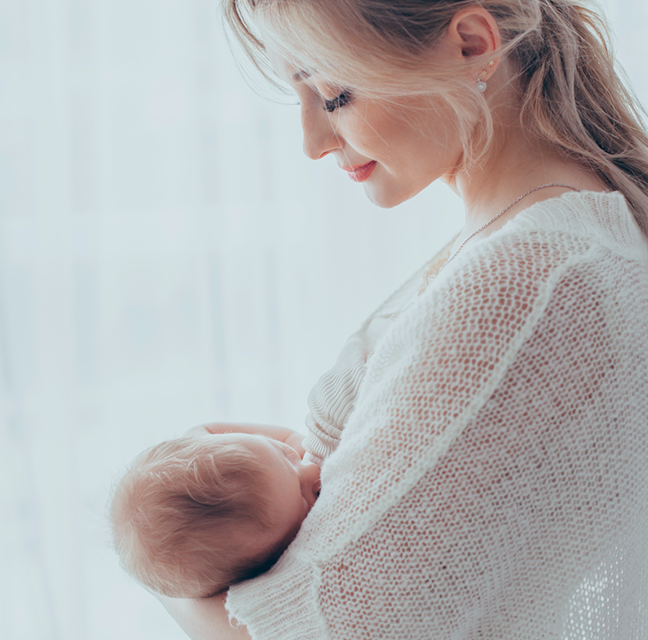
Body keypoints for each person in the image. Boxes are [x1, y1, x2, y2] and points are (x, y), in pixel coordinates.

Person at [152, 0, 648, 638]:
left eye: (335, 96)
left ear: (472, 44)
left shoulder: (529, 280)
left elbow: (330, 628)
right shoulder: (552, 231)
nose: (311, 142)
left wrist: (164, 566)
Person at [109, 423, 321, 599]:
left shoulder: (208, 438)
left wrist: (297, 446)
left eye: (285, 454)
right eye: (304, 498)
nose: (313, 470)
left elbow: (203, 432)